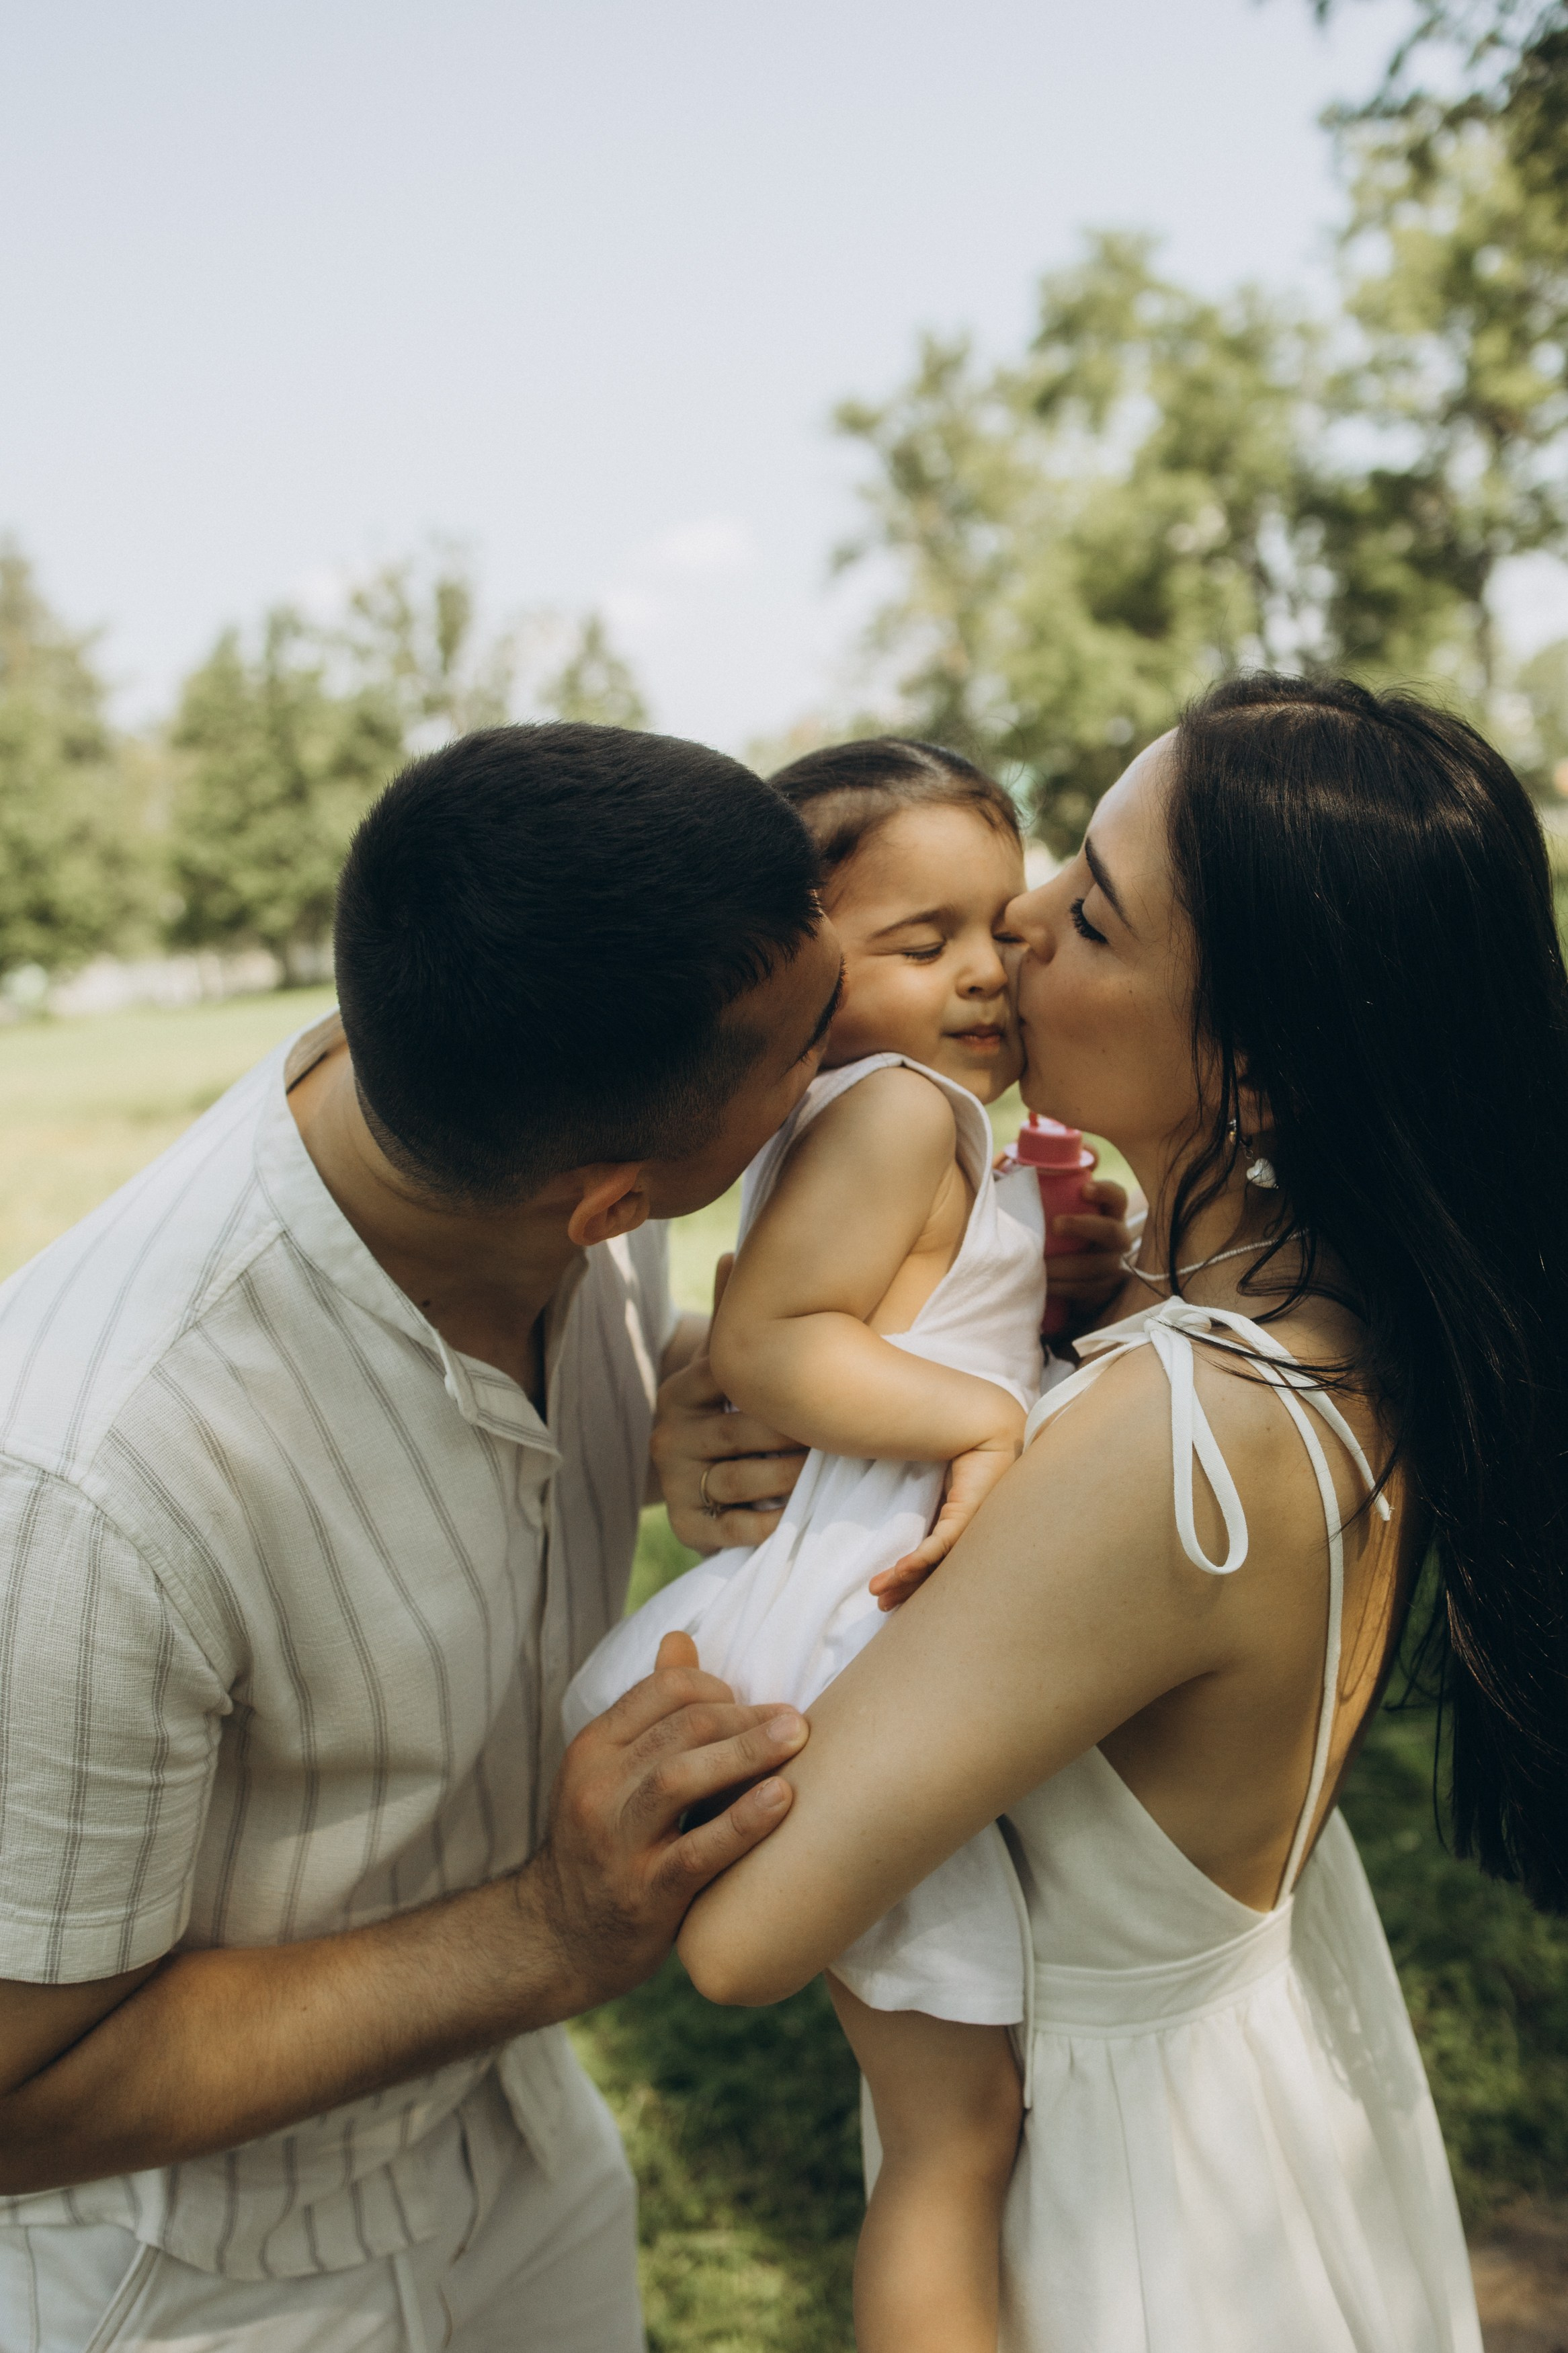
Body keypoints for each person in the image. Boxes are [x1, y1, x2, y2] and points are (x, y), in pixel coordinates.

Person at [675, 674, 1568, 2350]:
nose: (1014, 921)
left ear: (1263, 1073)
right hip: (1250, 2078)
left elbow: (746, 1934)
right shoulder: (1328, 1313)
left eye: (1087, 909)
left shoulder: (1170, 1442)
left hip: (1117, 2202)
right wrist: (711, 1400)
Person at [0, 723, 843, 2352]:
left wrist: (667, 1409)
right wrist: (553, 1925)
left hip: (520, 2160)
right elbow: (15, 2094)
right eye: (808, 1050)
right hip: (201, 2290)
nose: (848, 1054)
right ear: (612, 1202)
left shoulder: (528, 1144)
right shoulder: (87, 1482)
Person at [566, 738, 1129, 2353]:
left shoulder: (923, 1119)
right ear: (805, 972)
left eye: (1003, 932)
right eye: (918, 942)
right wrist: (978, 1419)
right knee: (954, 2140)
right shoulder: (892, 1110)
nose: (983, 978)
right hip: (861, 1633)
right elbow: (778, 1343)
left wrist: (1060, 1272)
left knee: (951, 2124)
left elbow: (891, 1301)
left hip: (871, 1616)